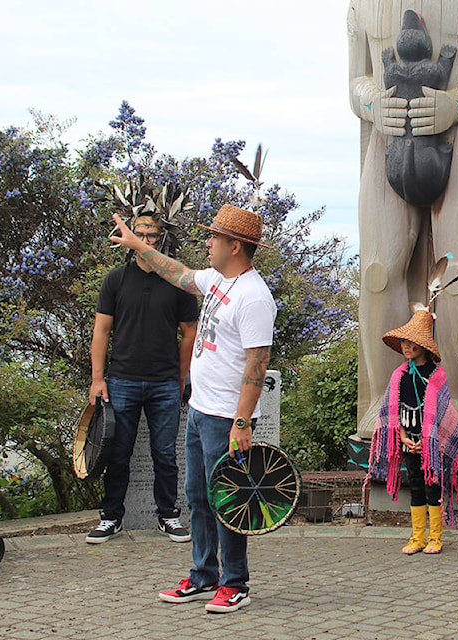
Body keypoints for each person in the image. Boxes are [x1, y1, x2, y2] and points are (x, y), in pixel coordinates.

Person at [348, 0, 458, 443]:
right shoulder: (362, 7)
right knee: (378, 273)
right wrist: (371, 102)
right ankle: (385, 399)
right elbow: (357, 80)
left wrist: (455, 104)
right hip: (389, 143)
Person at [109, 204, 276, 614]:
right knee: (197, 496)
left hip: (225, 418)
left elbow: (257, 365)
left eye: (214, 237)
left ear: (235, 245)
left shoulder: (254, 297)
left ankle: (235, 582)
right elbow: (178, 273)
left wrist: (241, 422)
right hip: (200, 410)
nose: (208, 242)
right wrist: (136, 245)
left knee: (226, 500)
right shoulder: (219, 279)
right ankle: (204, 574)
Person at [86, 213, 198, 544]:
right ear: (130, 236)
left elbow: (190, 333)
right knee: (117, 451)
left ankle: (168, 516)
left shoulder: (177, 281)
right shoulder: (116, 280)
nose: (146, 240)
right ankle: (110, 517)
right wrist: (97, 379)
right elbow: (101, 330)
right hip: (122, 379)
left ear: (162, 238)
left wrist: (181, 377)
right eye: (140, 234)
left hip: (164, 382)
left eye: (152, 235)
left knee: (165, 452)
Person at [367, 309, 458, 555]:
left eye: (411, 342)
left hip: (432, 442)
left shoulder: (437, 375)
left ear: (423, 346)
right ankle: (417, 537)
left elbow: (444, 412)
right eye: (403, 341)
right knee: (415, 484)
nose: (406, 346)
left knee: (432, 485)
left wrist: (427, 441)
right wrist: (402, 436)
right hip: (407, 438)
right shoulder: (399, 375)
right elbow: (393, 410)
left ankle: (435, 537)